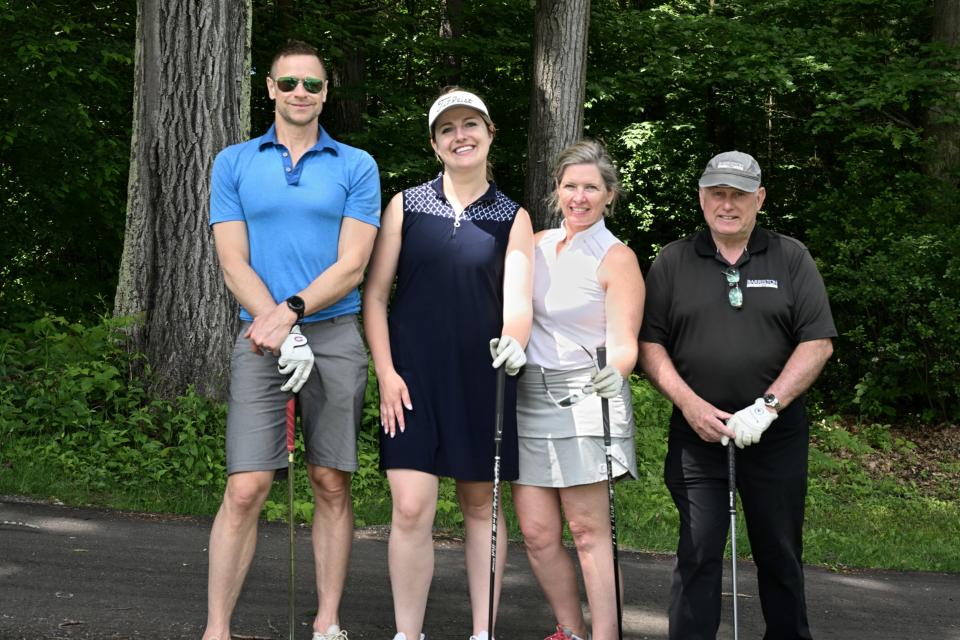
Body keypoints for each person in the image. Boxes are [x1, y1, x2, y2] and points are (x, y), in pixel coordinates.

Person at [204, 40, 381, 640]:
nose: (300, 93)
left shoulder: (356, 164)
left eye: (312, 84)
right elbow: (233, 262)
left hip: (332, 331)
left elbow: (354, 264)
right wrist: (276, 325)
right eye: (288, 84)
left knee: (331, 480)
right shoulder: (233, 162)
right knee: (247, 484)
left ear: (326, 92)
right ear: (271, 90)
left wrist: (296, 313)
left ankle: (327, 620)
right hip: (257, 335)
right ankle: (217, 629)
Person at [638, 151, 836, 640]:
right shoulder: (673, 259)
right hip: (697, 432)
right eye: (717, 194)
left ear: (759, 199)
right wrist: (689, 403)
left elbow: (818, 342)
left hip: (775, 434)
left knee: (779, 551)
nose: (727, 205)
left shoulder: (791, 257)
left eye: (739, 195)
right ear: (703, 198)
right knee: (699, 551)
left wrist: (768, 407)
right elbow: (649, 344)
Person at [362, 87, 533, 640]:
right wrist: (386, 373)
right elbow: (375, 297)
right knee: (411, 508)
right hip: (410, 381)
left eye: (471, 125)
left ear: (489, 134)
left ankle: (482, 632)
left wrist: (514, 339)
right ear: (435, 143)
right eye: (447, 129)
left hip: (482, 381)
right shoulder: (406, 205)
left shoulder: (514, 216)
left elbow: (519, 302)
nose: (460, 136)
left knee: (481, 505)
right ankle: (406, 634)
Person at [510, 140, 645, 640]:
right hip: (528, 397)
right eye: (571, 186)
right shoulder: (537, 244)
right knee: (538, 534)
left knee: (589, 533)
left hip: (587, 395)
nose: (580, 197)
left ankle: (606, 636)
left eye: (591, 187)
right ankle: (569, 630)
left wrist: (620, 371)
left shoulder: (617, 258)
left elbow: (625, 343)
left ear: (609, 195)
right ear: (557, 191)